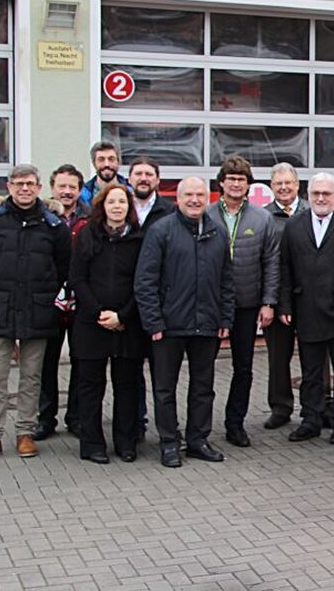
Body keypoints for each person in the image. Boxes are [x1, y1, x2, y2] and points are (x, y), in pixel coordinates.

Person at [0, 164, 71, 462]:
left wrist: (46, 293)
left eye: (30, 183)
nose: (24, 188)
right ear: (9, 186)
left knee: (31, 377)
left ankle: (25, 432)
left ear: (39, 187)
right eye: (18, 183)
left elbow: (63, 267)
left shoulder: (54, 226)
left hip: (38, 311)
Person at [134, 176, 234, 468]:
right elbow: (145, 281)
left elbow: (226, 281)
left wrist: (225, 318)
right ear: (177, 198)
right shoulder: (161, 230)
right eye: (188, 194)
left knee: (203, 387)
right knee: (165, 388)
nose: (194, 200)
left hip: (207, 324)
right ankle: (168, 442)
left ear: (208, 198)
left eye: (200, 195)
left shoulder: (217, 231)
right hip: (168, 327)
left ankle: (198, 440)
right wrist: (154, 323)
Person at [278, 172, 334, 444]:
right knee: (310, 370)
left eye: (327, 193)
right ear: (308, 195)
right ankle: (310, 419)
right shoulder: (294, 225)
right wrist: (285, 304)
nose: (321, 198)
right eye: (316, 194)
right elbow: (286, 267)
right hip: (307, 308)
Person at [205, 155, 280, 448]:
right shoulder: (207, 215)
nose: (236, 184)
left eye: (242, 180)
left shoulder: (262, 219)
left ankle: (235, 424)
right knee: (203, 368)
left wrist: (269, 301)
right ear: (221, 182)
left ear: (249, 185)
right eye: (231, 179)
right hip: (211, 305)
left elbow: (272, 262)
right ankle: (199, 424)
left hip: (248, 304)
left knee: (244, 367)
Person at [69, 184, 146, 464]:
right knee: (90, 386)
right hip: (91, 325)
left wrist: (122, 316)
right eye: (111, 202)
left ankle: (126, 443)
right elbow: (78, 278)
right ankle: (92, 444)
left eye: (122, 202)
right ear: (103, 205)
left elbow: (143, 283)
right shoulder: (87, 235)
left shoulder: (139, 239)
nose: (117, 207)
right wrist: (99, 313)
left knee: (127, 386)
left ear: (129, 207)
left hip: (127, 325)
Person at [33, 164, 89, 441]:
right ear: (52, 188)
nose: (67, 192)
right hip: (48, 301)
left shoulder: (90, 218)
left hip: (82, 302)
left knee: (82, 360)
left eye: (73, 187)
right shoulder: (41, 218)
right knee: (46, 362)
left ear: (80, 190)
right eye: (62, 187)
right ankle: (45, 418)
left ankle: (76, 418)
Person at [128, 156, 174, 441]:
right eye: (138, 174)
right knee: (131, 374)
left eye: (149, 174)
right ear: (129, 178)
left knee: (162, 377)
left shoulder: (169, 213)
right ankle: (134, 428)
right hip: (128, 307)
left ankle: (166, 433)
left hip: (161, 307)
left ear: (157, 180)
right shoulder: (119, 209)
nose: (143, 178)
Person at [261, 162, 307, 430]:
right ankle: (280, 407)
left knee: (315, 355)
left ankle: (318, 405)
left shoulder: (311, 212)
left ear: (298, 185)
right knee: (278, 357)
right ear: (271, 187)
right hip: (277, 298)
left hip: (309, 297)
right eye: (278, 184)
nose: (284, 187)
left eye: (288, 182)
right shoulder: (264, 217)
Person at [79, 141, 127, 206]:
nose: (106, 164)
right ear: (94, 163)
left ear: (118, 162)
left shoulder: (130, 192)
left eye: (111, 159)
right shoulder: (82, 195)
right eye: (101, 159)